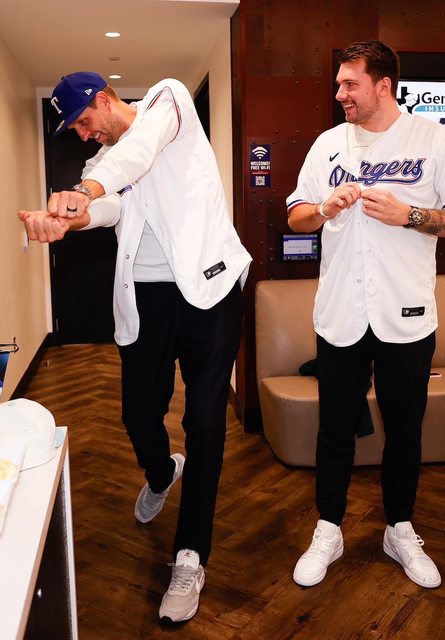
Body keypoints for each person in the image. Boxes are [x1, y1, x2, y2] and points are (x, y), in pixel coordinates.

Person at [18, 72, 251, 622]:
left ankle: (190, 556)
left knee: (205, 421)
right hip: (147, 298)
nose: (83, 135)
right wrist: (70, 219)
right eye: (75, 130)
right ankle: (161, 472)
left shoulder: (167, 101)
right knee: (138, 413)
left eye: (83, 121)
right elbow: (112, 208)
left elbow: (138, 154)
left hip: (210, 292)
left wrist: (84, 192)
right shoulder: (101, 163)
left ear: (104, 99)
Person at [286, 40, 445, 590]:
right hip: (340, 314)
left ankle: (399, 527)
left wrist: (411, 215)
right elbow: (297, 215)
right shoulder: (328, 144)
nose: (340, 94)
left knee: (404, 430)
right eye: (338, 84)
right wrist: (323, 207)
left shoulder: (434, 141)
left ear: (383, 85)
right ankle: (329, 528)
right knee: (334, 430)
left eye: (350, 84)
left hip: (407, 314)